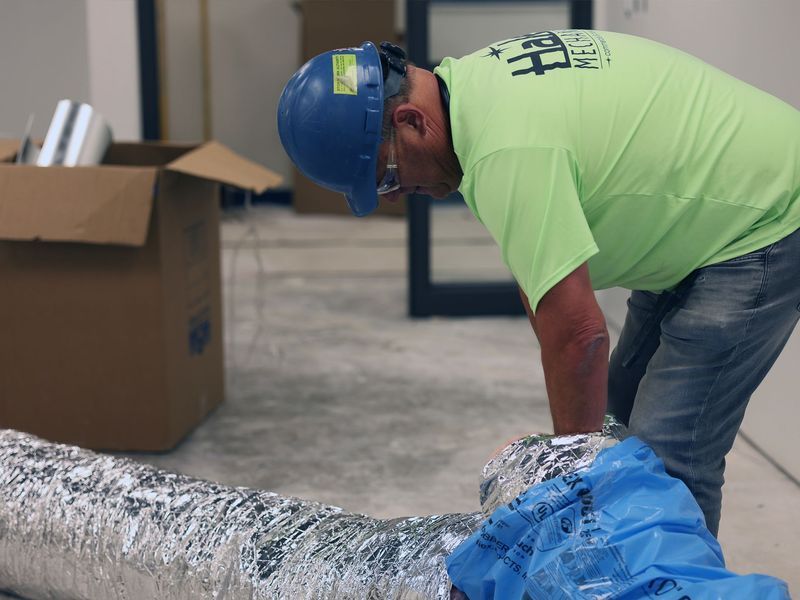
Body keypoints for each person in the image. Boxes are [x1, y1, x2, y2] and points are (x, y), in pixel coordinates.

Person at [277, 31, 800, 537]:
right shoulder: (477, 91)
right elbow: (546, 292)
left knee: (671, 451)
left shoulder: (504, 149)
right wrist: (579, 454)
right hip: (703, 223)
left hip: (766, 217)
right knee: (615, 414)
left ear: (411, 121)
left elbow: (579, 338)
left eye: (386, 175)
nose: (394, 195)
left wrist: (570, 485)